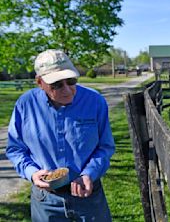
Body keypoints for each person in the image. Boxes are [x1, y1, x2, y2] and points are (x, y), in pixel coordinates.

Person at [6, 49, 115, 221]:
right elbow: (16, 149)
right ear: (40, 82)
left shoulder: (95, 101)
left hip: (89, 196)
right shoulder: (25, 105)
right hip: (45, 200)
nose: (67, 90)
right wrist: (33, 173)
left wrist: (89, 174)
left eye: (71, 81)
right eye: (56, 84)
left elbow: (105, 147)